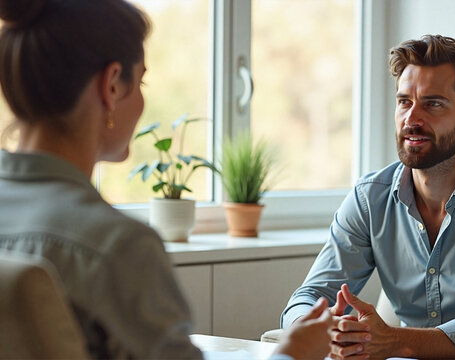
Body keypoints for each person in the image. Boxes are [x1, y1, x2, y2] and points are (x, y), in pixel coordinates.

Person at [0, 1, 332, 359]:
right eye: (141, 80)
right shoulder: (120, 247)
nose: (142, 99)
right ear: (111, 85)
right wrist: (292, 354)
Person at [281, 35, 455, 359]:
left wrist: (396, 341)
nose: (411, 119)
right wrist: (327, 332)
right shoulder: (371, 199)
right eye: (404, 102)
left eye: (433, 103)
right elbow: (309, 297)